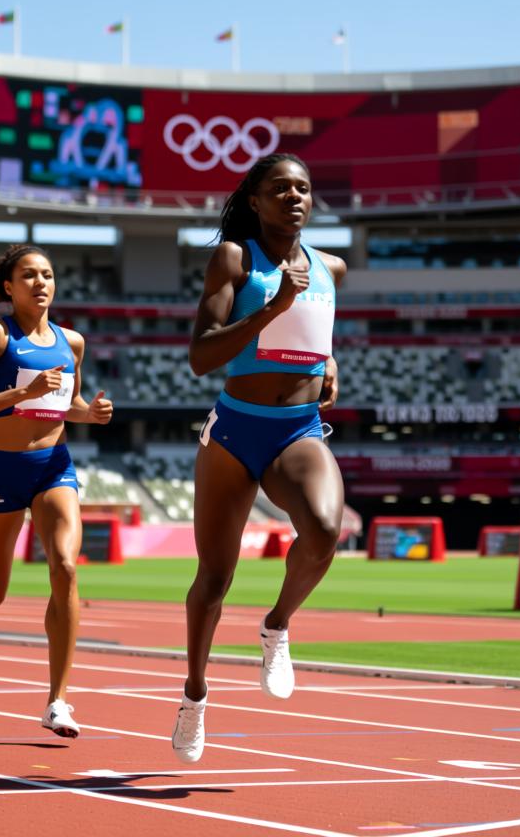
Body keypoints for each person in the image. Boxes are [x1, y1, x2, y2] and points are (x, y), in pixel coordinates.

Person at [172, 153, 346, 763]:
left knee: (324, 532)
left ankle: (276, 626)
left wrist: (328, 361)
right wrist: (269, 309)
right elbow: (199, 355)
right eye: (280, 188)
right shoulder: (234, 259)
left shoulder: (331, 269)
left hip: (297, 428)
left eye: (303, 187)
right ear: (255, 200)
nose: (294, 196)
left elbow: (317, 332)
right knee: (215, 579)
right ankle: (195, 694)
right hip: (234, 432)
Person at [0, 244, 112, 739]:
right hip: (2, 472)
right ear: (8, 287)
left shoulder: (72, 342)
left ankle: (57, 700)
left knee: (64, 567)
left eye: (47, 275)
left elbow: (71, 403)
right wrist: (22, 393)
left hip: (54, 467)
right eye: (28, 275)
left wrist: (91, 414)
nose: (40, 283)